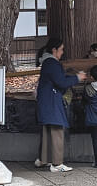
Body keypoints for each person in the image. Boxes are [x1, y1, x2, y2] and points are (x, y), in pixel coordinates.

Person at [34, 37, 85, 172]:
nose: (62, 52)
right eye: (61, 49)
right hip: (52, 100)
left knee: (46, 131)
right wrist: (77, 78)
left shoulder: (47, 63)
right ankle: (57, 163)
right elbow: (61, 82)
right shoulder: (52, 63)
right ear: (54, 50)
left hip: (45, 100)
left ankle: (43, 159)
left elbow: (59, 79)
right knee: (57, 130)